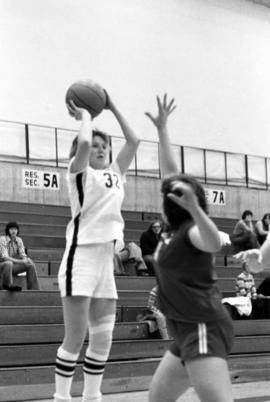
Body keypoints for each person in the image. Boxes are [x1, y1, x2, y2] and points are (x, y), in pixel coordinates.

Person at [145, 94, 233, 402]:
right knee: (157, 399)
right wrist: (162, 130)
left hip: (203, 326)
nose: (166, 194)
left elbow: (211, 243)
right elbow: (170, 172)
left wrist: (196, 208)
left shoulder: (192, 231)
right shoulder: (170, 229)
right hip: (183, 329)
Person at [54, 94, 139, 402]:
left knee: (102, 341)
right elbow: (86, 145)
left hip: (105, 264)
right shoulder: (78, 174)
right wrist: (87, 117)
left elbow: (134, 140)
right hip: (81, 260)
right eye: (96, 145)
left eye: (106, 146)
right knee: (75, 338)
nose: (101, 149)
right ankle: (61, 398)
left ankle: (93, 398)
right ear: (79, 151)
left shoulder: (116, 174)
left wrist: (112, 105)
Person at [0, 221, 40, 291]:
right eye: (11, 229)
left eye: (15, 229)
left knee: (30, 264)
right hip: (2, 266)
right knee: (8, 263)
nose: (13, 231)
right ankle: (8, 286)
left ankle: (34, 289)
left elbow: (23, 254)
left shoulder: (19, 240)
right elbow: (5, 258)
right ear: (8, 230)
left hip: (10, 267)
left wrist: (26, 259)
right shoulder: (2, 239)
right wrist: (22, 261)